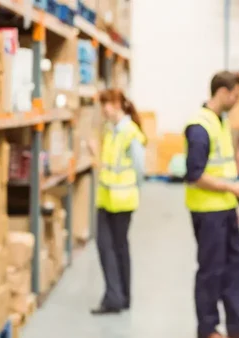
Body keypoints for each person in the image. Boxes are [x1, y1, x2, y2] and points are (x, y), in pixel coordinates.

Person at [184, 71, 239, 338]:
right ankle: (207, 329)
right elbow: (195, 175)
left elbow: (223, 168)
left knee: (235, 268)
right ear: (222, 92)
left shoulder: (220, 121)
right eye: (235, 95)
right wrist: (233, 188)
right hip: (208, 211)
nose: (236, 100)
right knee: (211, 270)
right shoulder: (200, 126)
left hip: (226, 208)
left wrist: (234, 201)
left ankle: (237, 327)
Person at [90, 89, 146, 315]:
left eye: (109, 103)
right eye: (103, 104)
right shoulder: (111, 130)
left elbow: (140, 168)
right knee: (119, 247)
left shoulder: (129, 132)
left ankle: (114, 297)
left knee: (107, 246)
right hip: (107, 197)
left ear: (119, 104)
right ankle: (123, 297)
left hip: (121, 199)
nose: (105, 109)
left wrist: (94, 154)